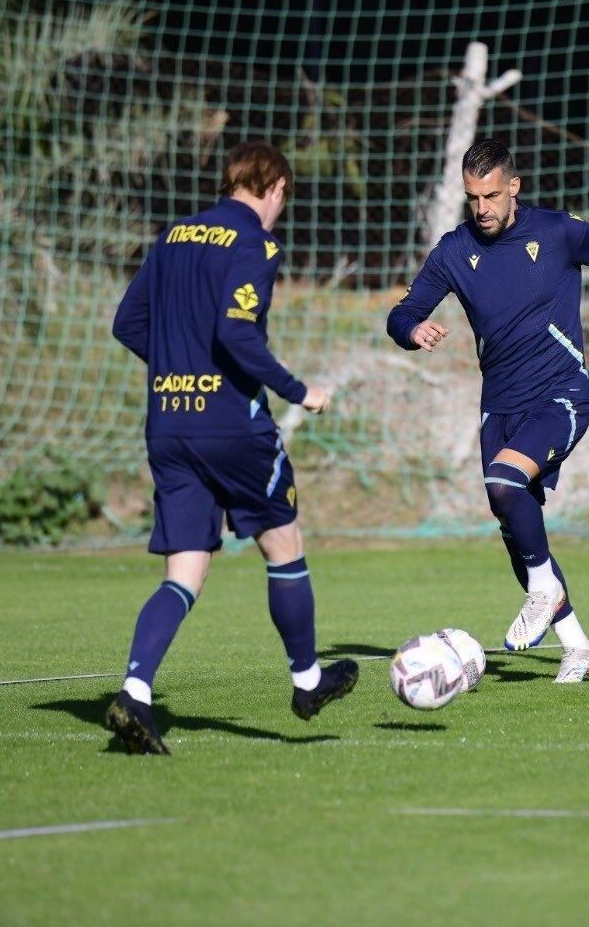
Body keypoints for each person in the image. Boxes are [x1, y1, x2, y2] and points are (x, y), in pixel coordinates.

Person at [105, 140, 358, 754]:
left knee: (185, 571)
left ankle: (135, 692)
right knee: (283, 542)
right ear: (274, 188)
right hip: (231, 425)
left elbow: (127, 323)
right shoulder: (255, 244)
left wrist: (179, 369)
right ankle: (307, 681)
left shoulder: (172, 238)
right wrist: (299, 391)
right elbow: (236, 332)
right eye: (283, 198)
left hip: (168, 422)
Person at [386, 138, 589, 684]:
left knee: (504, 481)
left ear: (513, 187)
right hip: (499, 409)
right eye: (473, 198)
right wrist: (413, 328)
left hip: (560, 395)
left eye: (492, 195)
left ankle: (544, 590)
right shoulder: (454, 251)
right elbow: (401, 313)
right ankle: (578, 648)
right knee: (517, 527)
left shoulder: (559, 232)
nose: (482, 208)